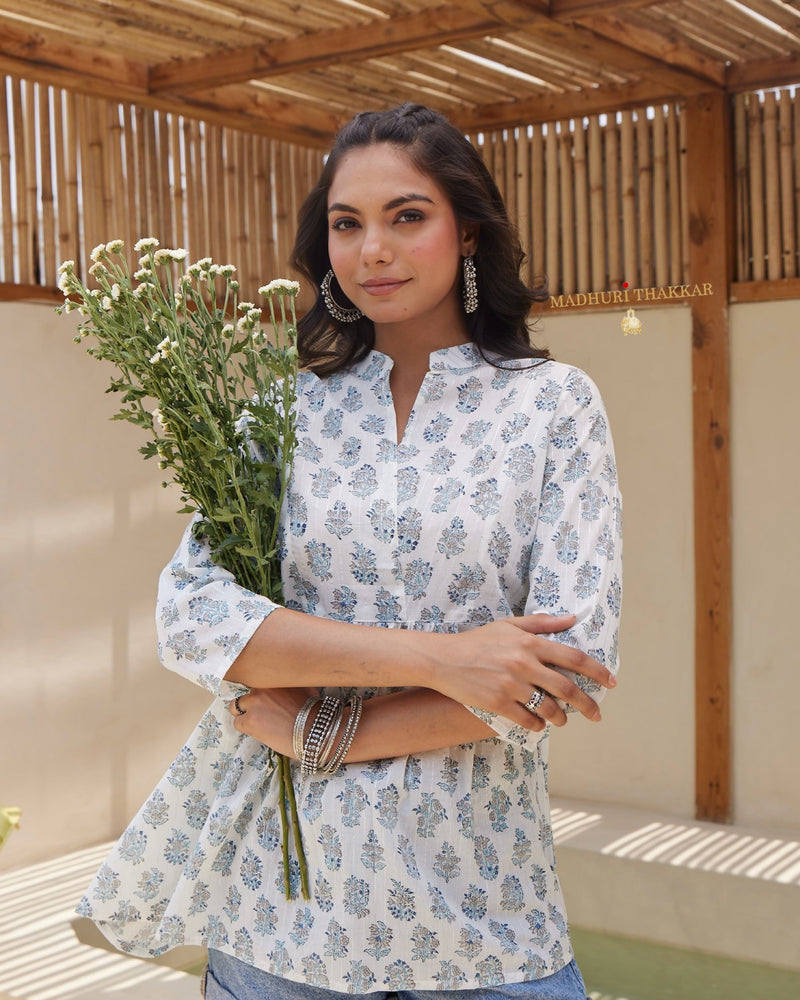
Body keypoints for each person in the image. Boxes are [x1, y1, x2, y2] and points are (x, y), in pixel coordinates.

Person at [78, 104, 622, 1000]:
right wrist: (450, 662)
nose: (374, 248)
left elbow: (564, 671)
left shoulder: (554, 407)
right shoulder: (279, 414)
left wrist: (319, 732)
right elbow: (195, 619)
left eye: (407, 216)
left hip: (483, 922)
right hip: (280, 926)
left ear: (468, 230)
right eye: (347, 223)